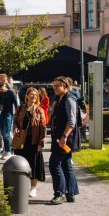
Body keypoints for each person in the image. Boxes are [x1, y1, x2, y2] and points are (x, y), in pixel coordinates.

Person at [48, 77, 80, 205]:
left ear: (65, 86)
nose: (55, 88)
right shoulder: (59, 99)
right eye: (54, 86)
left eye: (57, 86)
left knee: (54, 164)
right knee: (66, 164)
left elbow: (71, 122)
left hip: (65, 138)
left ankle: (59, 193)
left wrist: (64, 137)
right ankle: (70, 193)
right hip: (60, 137)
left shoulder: (69, 99)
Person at [13, 88, 46, 197]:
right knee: (21, 164)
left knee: (34, 165)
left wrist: (41, 143)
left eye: (36, 95)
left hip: (34, 141)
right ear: (27, 96)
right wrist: (16, 128)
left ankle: (33, 188)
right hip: (22, 140)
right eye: (31, 95)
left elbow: (43, 127)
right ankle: (21, 186)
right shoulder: (20, 108)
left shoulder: (39, 110)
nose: (34, 97)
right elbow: (16, 121)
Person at [0, 79, 19, 160]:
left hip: (8, 115)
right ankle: (6, 150)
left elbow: (16, 104)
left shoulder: (11, 92)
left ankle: (8, 151)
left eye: (2, 88)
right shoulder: (0, 93)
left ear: (5, 86)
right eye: (0, 89)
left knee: (7, 134)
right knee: (3, 134)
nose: (1, 90)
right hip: (1, 115)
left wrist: (16, 115)